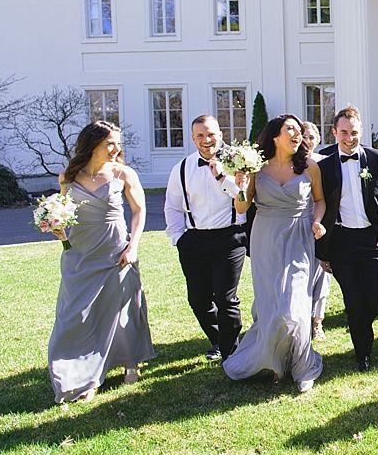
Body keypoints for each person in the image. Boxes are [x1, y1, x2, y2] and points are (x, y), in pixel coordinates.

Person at [48, 121, 155, 403]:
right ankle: (81, 373)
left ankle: (131, 362)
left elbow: (139, 211)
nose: (116, 149)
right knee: (75, 315)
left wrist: (133, 246)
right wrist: (58, 229)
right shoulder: (68, 177)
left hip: (116, 249)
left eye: (118, 143)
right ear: (92, 144)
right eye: (110, 143)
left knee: (122, 309)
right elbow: (63, 212)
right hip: (80, 251)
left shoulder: (123, 173)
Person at [221, 115, 325, 391]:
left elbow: (319, 200)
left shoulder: (310, 167)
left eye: (300, 130)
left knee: (295, 306)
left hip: (299, 237)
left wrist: (317, 221)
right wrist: (240, 186)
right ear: (275, 136)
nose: (298, 133)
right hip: (266, 237)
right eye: (290, 129)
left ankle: (303, 366)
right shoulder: (257, 169)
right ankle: (276, 362)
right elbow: (241, 208)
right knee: (271, 304)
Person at [315, 105, 378, 372]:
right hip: (342, 242)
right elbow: (319, 205)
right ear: (334, 132)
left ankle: (361, 324)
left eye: (354, 132)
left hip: (372, 240)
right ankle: (362, 354)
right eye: (344, 132)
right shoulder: (324, 164)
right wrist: (323, 251)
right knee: (353, 301)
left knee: (377, 299)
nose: (349, 138)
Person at [164, 115, 247, 361]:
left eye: (210, 134)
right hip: (195, 240)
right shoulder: (183, 168)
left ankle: (231, 352)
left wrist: (223, 176)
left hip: (230, 237)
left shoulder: (238, 163)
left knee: (226, 298)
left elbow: (242, 199)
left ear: (220, 134)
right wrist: (179, 238)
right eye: (200, 135)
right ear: (192, 138)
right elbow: (173, 206)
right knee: (198, 300)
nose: (206, 140)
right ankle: (219, 340)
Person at [302, 120, 330, 340]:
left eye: (311, 137)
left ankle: (317, 321)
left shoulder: (325, 163)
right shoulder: (290, 163)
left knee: (321, 273)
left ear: (318, 140)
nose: (307, 141)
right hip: (297, 224)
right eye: (303, 136)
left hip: (321, 224)